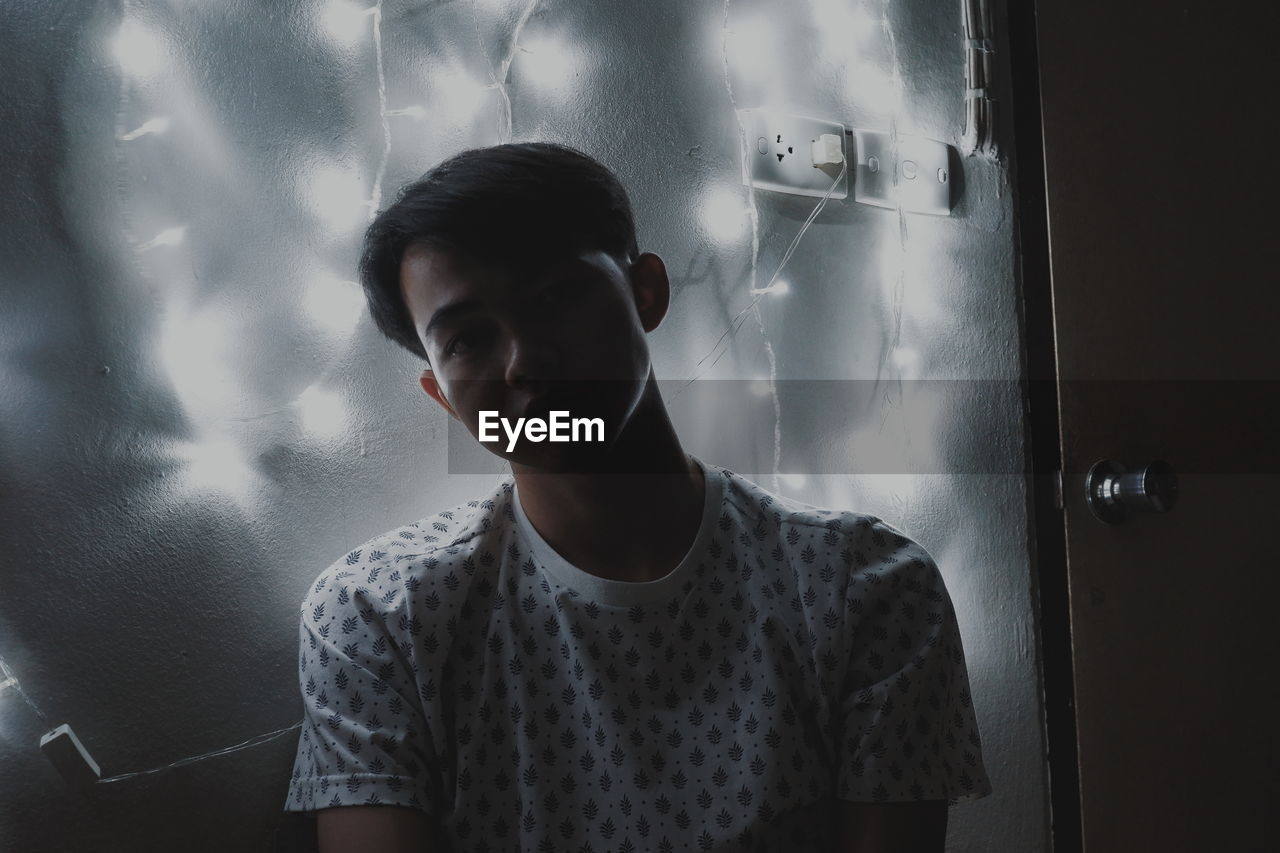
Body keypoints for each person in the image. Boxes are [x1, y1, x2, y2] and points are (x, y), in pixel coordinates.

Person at [282, 142, 992, 852]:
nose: (525, 361)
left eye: (555, 295)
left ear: (645, 291)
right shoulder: (380, 616)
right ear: (441, 394)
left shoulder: (865, 589)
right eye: (468, 339)